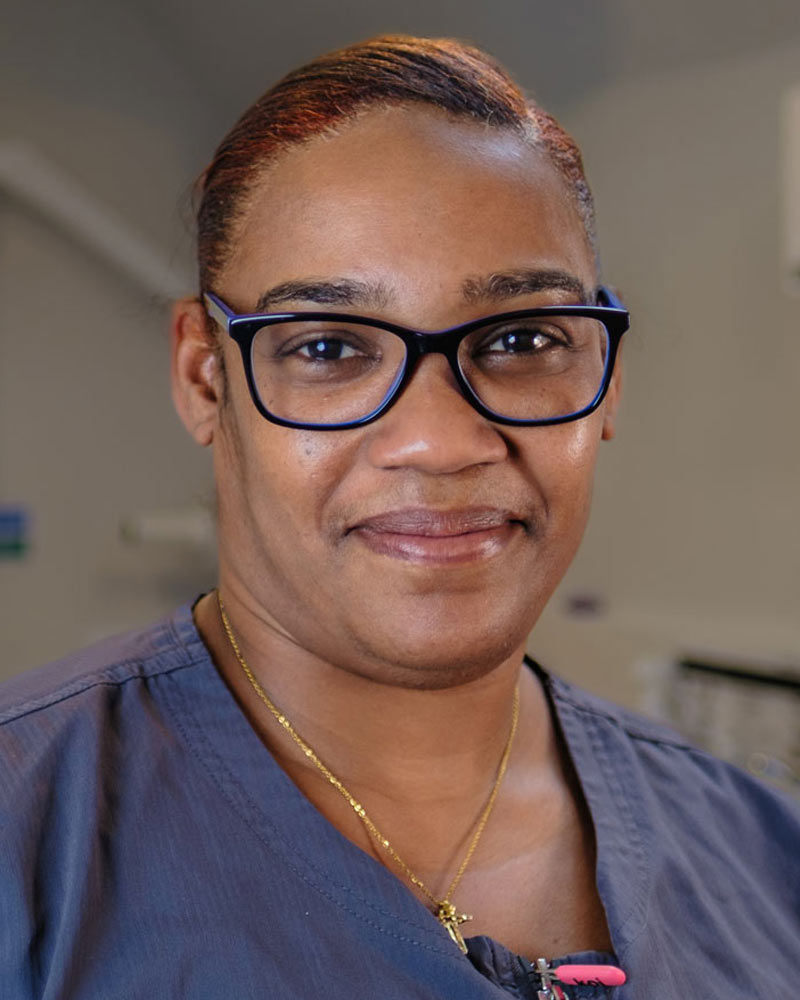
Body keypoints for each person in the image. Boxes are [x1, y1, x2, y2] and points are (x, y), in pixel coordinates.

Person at [0, 35, 797, 1000]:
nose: (439, 441)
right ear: (206, 378)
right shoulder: (30, 839)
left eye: (523, 338)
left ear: (607, 377)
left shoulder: (765, 862)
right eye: (329, 348)